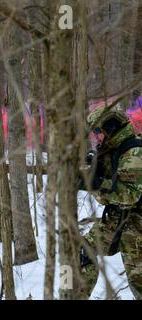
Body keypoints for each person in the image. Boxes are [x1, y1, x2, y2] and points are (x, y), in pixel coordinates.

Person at [79, 103, 142, 300]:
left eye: (98, 131)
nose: (96, 137)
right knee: (82, 253)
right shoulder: (115, 149)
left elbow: (130, 196)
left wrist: (96, 184)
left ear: (111, 127)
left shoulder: (134, 153)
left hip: (136, 228)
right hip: (120, 222)